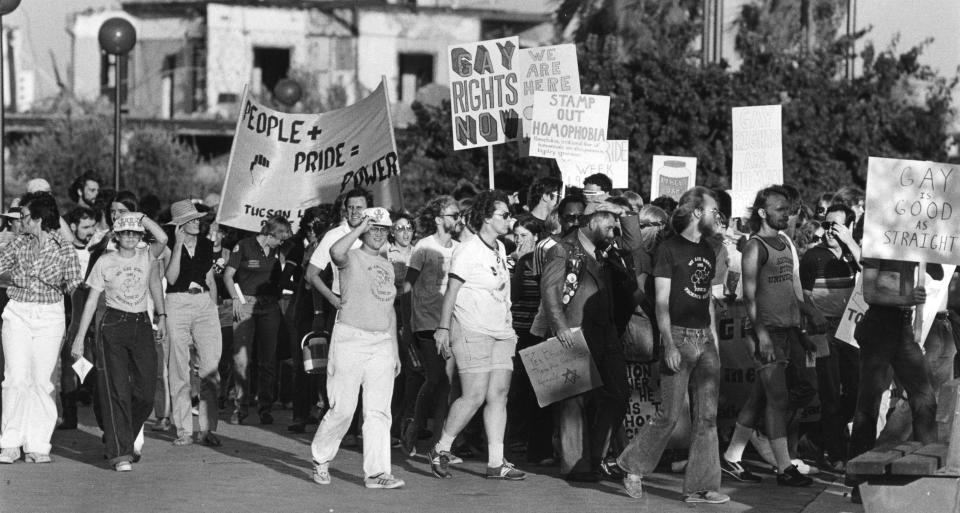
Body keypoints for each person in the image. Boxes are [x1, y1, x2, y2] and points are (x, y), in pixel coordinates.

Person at [618, 187, 728, 504]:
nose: (716, 217)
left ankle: (701, 486)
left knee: (707, 417)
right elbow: (662, 302)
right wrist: (668, 342)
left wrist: (714, 341)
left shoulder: (708, 250)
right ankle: (632, 467)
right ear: (696, 213)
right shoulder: (668, 249)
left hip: (703, 338)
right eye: (712, 211)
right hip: (677, 335)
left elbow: (706, 299)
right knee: (669, 414)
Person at [430, 191, 525, 481]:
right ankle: (441, 447)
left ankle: (497, 462)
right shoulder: (468, 249)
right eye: (504, 214)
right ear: (486, 217)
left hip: (501, 331)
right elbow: (452, 291)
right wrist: (443, 328)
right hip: (471, 328)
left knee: (498, 395)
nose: (510, 219)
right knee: (473, 395)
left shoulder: (499, 247)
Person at [721, 186, 813, 487]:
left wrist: (802, 327)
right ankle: (784, 468)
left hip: (785, 330)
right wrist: (761, 335)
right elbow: (748, 297)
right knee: (778, 399)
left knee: (760, 397)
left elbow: (788, 292)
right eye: (780, 209)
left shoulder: (785, 244)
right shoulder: (755, 246)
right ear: (763, 212)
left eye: (787, 209)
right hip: (766, 332)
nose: (786, 214)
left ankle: (732, 458)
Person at [311, 207, 405, 490]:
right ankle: (321, 458)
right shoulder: (350, 256)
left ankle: (377, 473)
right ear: (364, 229)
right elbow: (335, 253)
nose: (378, 234)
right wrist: (360, 226)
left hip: (381, 343)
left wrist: (395, 351)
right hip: (350, 337)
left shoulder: (388, 265)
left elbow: (389, 310)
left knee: (378, 411)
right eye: (373, 228)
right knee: (343, 408)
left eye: (383, 230)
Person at [532, 209, 629, 482]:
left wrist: (626, 214)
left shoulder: (607, 252)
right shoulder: (563, 249)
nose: (613, 234)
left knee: (619, 394)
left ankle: (596, 456)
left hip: (606, 332)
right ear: (592, 222)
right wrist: (559, 326)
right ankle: (576, 464)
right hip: (574, 330)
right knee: (572, 401)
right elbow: (549, 289)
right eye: (609, 227)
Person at [69, 212, 168, 471]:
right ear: (117, 236)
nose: (131, 237)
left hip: (142, 323)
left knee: (145, 392)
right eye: (126, 233)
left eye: (135, 233)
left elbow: (164, 237)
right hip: (113, 324)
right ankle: (120, 453)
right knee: (116, 390)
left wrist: (141, 216)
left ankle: (119, 435)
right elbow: (91, 300)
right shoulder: (105, 261)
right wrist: (80, 337)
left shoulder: (147, 255)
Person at [0, 192, 82, 464]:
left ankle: (37, 443)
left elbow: (74, 288)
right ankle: (10, 442)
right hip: (18, 313)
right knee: (15, 378)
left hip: (50, 315)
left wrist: (78, 326)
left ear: (38, 218)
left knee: (41, 381)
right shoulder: (18, 244)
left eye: (23, 216)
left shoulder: (64, 248)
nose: (19, 221)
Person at [399, 196, 462, 457]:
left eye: (459, 215)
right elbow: (407, 287)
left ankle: (439, 446)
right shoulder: (423, 247)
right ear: (438, 219)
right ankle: (414, 425)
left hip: (452, 323)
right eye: (453, 215)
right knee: (434, 378)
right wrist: (405, 325)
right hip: (425, 322)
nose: (458, 219)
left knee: (445, 385)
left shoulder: (460, 248)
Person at [799, 204, 860, 468]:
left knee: (857, 390)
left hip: (851, 328)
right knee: (830, 391)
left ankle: (817, 437)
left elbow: (869, 269)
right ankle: (836, 455)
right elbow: (800, 295)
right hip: (823, 331)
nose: (830, 231)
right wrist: (814, 315)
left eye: (837, 225)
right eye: (827, 225)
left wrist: (850, 243)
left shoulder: (854, 254)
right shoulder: (813, 257)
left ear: (850, 226)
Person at [223, 216, 292, 425]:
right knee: (242, 358)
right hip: (246, 302)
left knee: (267, 360)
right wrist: (236, 298)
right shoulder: (244, 246)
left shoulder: (279, 251)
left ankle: (265, 407)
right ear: (271, 234)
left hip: (269, 305)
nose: (282, 242)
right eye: (280, 238)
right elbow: (228, 275)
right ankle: (240, 407)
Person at [164, 200, 222, 447]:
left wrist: (214, 307)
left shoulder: (208, 245)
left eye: (198, 218)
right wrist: (177, 246)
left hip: (204, 305)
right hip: (176, 303)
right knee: (179, 369)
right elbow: (171, 277)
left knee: (210, 370)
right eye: (192, 219)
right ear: (180, 225)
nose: (197, 222)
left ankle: (207, 430)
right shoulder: (168, 246)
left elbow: (210, 278)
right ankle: (184, 430)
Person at [59, 206, 98, 430]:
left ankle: (88, 391)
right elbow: (64, 228)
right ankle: (70, 416)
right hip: (75, 309)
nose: (91, 231)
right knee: (70, 362)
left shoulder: (98, 248)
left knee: (91, 362)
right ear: (73, 227)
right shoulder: (70, 248)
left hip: (95, 311)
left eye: (93, 225)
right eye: (85, 226)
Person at [305, 188, 370, 319]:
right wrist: (333, 299)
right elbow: (310, 274)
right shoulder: (333, 235)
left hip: (372, 305)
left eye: (359, 207)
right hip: (344, 305)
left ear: (368, 210)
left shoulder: (377, 233)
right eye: (351, 207)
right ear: (346, 210)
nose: (355, 212)